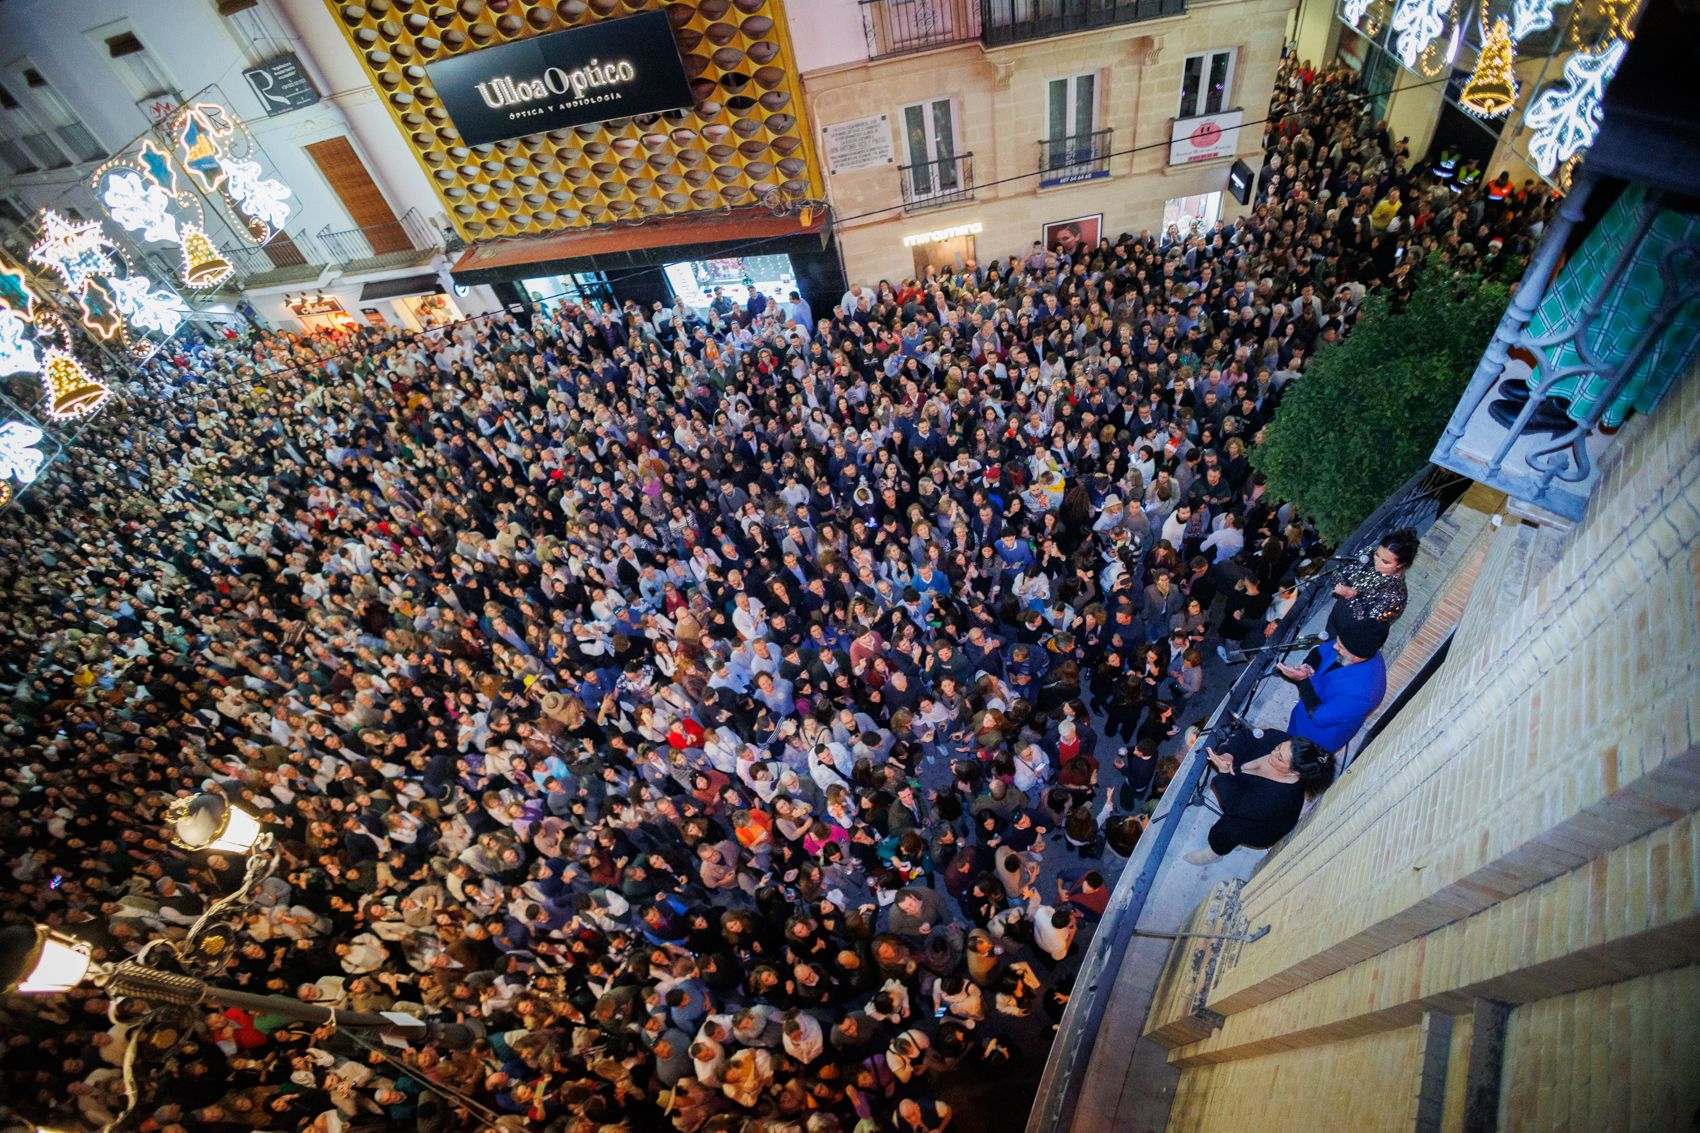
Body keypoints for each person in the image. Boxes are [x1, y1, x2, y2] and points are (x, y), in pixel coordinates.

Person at [1182, 728, 1335, 864]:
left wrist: (1224, 773)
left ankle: (1214, 853)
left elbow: (1233, 805)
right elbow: (1247, 736)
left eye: (1280, 758)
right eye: (1278, 747)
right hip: (1251, 804)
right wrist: (1229, 754)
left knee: (1228, 829)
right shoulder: (1282, 740)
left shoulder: (1278, 797)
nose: (1273, 752)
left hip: (1261, 827)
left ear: (1294, 772)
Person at [1277, 619, 1387, 752]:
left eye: (1340, 647)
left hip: (1316, 737)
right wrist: (1308, 667)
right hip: (1304, 712)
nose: (1335, 646)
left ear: (1356, 657)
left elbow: (1319, 717)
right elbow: (1320, 651)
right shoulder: (1352, 645)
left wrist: (1303, 681)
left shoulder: (1364, 694)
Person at [1326, 527, 1419, 652]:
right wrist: (1342, 586)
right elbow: (1339, 574)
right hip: (1335, 619)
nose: (1377, 563)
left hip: (1351, 642)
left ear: (1400, 565)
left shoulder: (1396, 594)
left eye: (1385, 562)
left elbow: (1368, 626)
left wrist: (1352, 597)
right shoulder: (1368, 556)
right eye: (1377, 555)